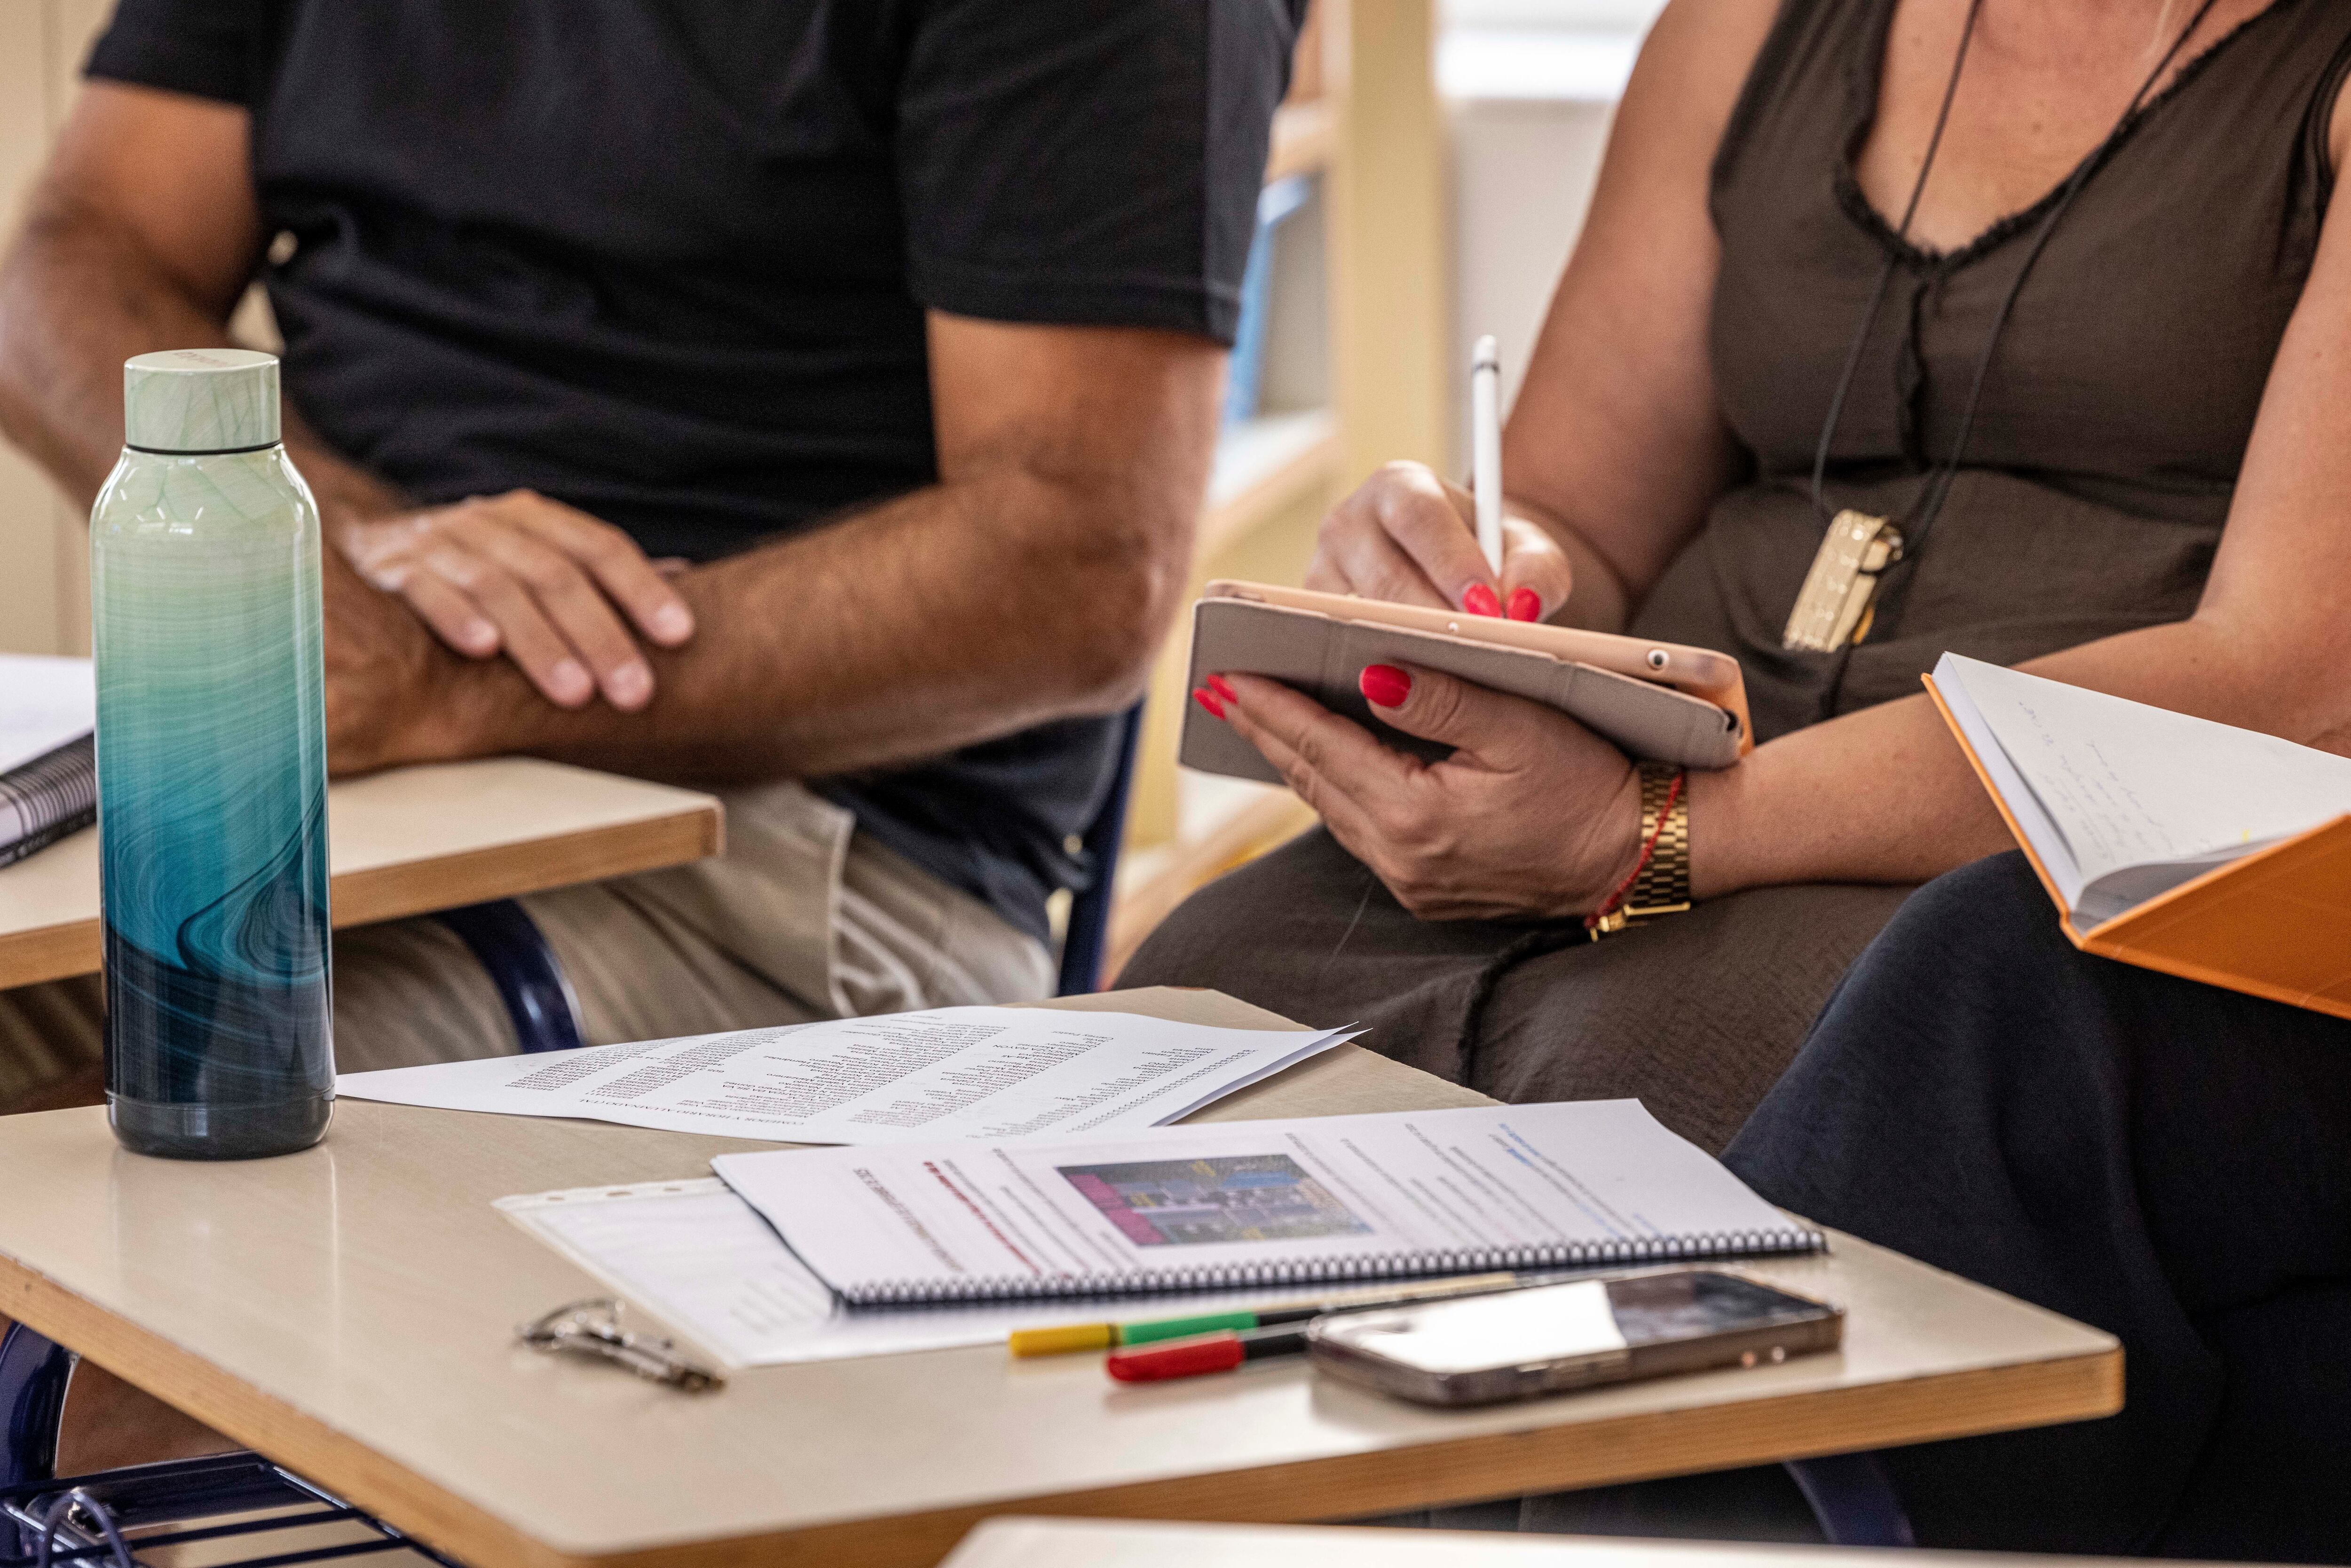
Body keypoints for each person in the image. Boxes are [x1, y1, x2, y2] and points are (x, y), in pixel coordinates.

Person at [0, 0, 1304, 1111]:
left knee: (113, 1145)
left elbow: (1079, 565)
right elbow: (73, 264)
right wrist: (335, 548)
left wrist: (445, 678)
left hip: (801, 857)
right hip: (339, 734)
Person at [1123, 0, 2351, 1151]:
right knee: (1206, 986)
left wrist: (1651, 837)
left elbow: (2293, 680)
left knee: (1666, 1085)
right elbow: (1584, 521)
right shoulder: (1746, 27)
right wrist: (1464, 576)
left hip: (1999, 870)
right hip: (1636, 801)